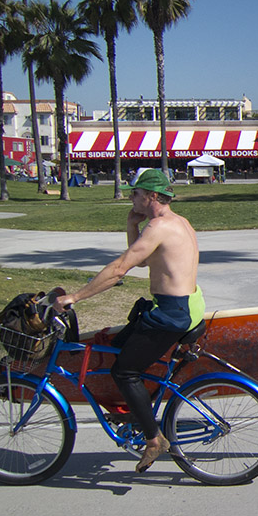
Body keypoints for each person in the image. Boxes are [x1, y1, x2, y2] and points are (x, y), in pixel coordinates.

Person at [53, 168, 205, 472]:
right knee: (117, 344)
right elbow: (146, 260)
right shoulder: (177, 222)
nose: (130, 197)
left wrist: (76, 297)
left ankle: (154, 439)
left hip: (173, 313)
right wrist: (130, 224)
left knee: (124, 371)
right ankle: (134, 411)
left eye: (135, 193)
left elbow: (121, 268)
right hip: (186, 304)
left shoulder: (159, 227)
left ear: (150, 196)